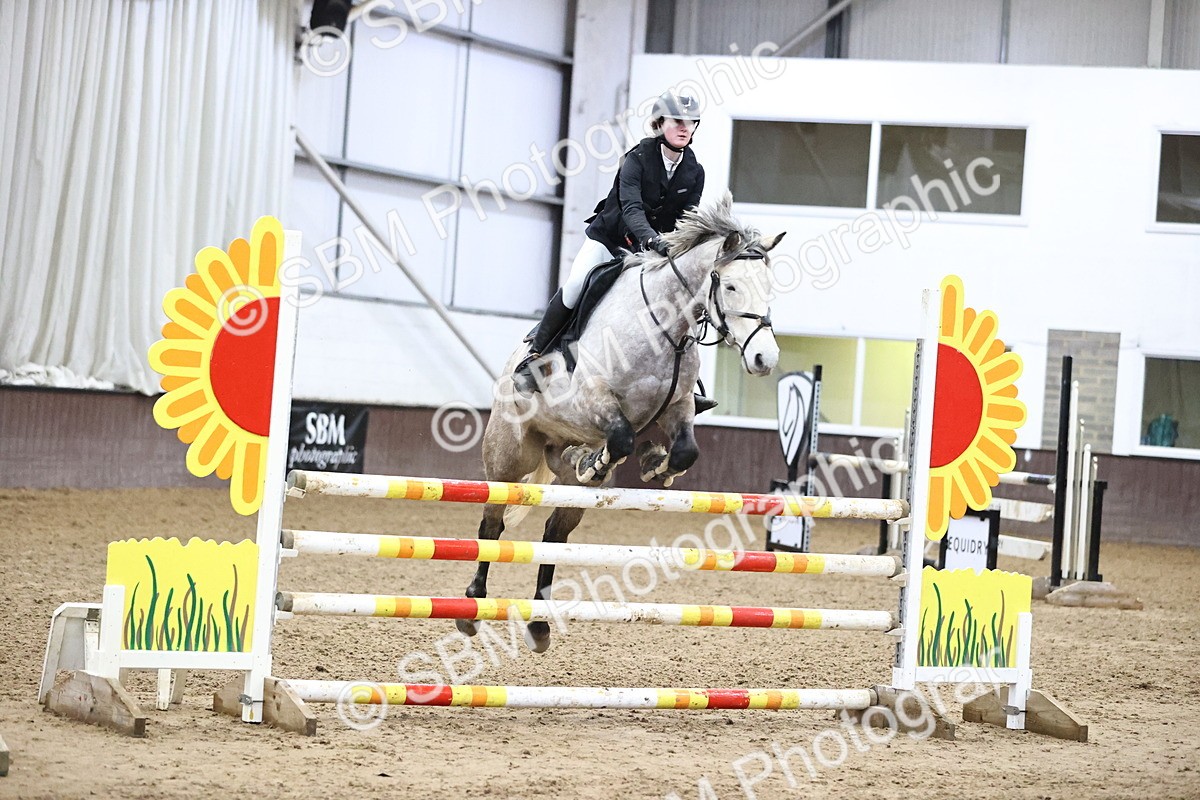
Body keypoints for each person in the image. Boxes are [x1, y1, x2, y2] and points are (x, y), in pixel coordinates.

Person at [513, 91, 714, 413]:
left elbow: (687, 218)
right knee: (578, 283)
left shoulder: (695, 171)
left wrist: (675, 247)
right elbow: (631, 208)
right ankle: (535, 356)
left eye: (692, 123)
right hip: (611, 240)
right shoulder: (636, 159)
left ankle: (688, 383)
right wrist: (651, 240)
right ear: (660, 123)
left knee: (680, 297)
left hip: (654, 252)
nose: (685, 128)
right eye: (678, 121)